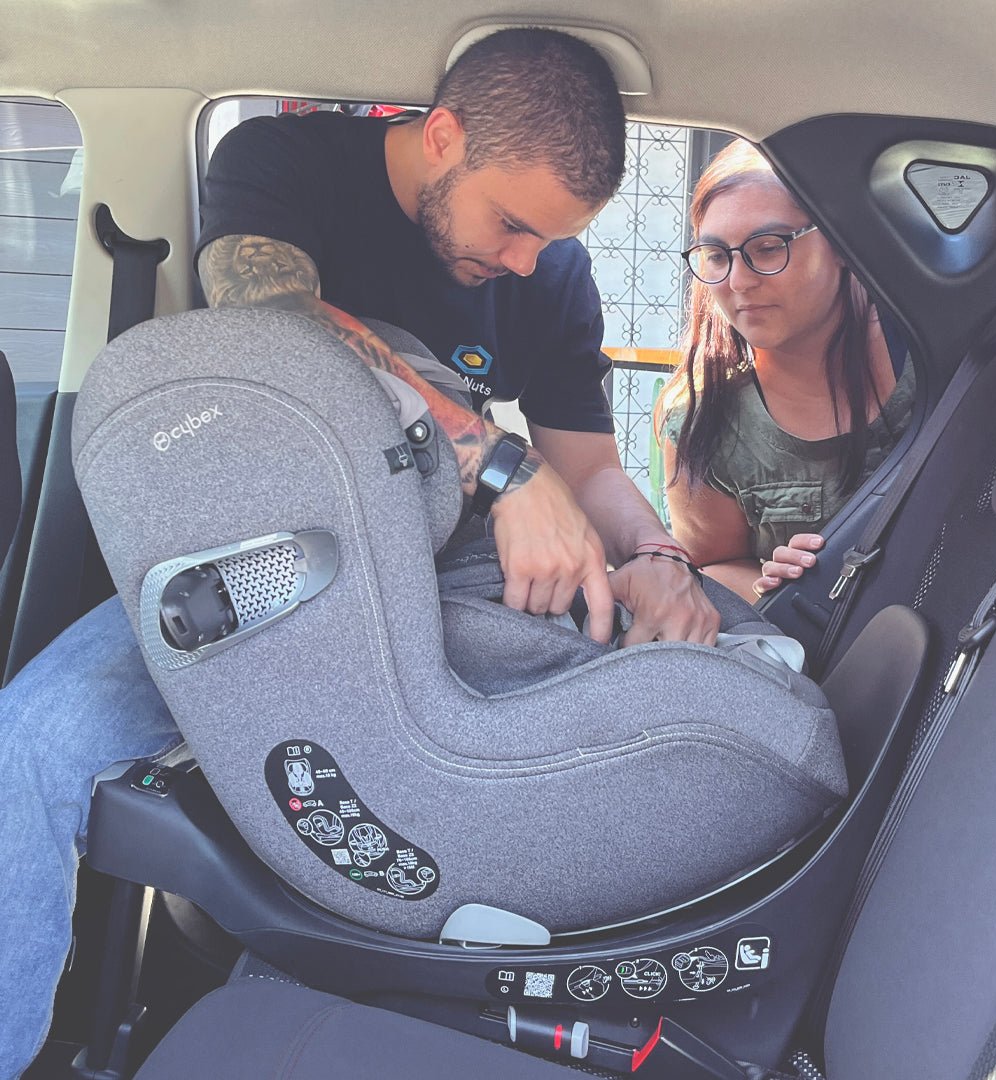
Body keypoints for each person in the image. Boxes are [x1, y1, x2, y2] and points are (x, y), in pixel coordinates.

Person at [0, 29, 721, 1078]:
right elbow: (278, 321)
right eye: (512, 224)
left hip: (439, 575)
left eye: (550, 240)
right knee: (32, 740)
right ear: (441, 139)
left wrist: (656, 555)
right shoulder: (279, 165)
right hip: (253, 569)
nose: (526, 260)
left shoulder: (550, 272)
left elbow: (596, 473)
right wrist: (500, 465)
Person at [656, 140, 914, 604]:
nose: (738, 281)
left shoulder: (928, 352)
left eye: (768, 247)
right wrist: (768, 583)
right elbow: (707, 567)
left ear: (840, 242)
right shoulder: (702, 422)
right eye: (717, 255)